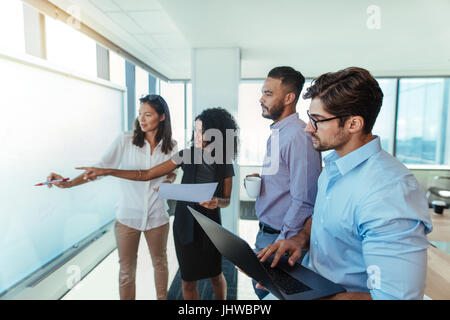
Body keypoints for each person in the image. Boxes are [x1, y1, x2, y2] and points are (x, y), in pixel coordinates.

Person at [257, 67, 433, 300]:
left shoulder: (389, 192)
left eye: (317, 120)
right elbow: (325, 221)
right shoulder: (332, 168)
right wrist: (299, 240)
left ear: (353, 124)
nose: (308, 128)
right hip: (310, 282)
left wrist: (304, 295)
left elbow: (395, 298)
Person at [77, 107, 239, 300]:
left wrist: (217, 201)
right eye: (195, 130)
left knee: (215, 275)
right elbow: (146, 175)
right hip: (185, 223)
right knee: (187, 281)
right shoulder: (185, 155)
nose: (196, 134)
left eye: (201, 130)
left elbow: (227, 200)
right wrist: (109, 171)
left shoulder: (224, 162)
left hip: (210, 225)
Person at [47, 94, 178, 300]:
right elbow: (100, 168)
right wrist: (69, 183)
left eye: (148, 115)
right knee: (127, 271)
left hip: (157, 216)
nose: (142, 119)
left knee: (160, 264)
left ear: (162, 117)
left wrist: (170, 179)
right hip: (127, 216)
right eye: (140, 114)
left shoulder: (171, 146)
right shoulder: (126, 140)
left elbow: (171, 171)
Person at [246, 66, 321, 299]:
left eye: (268, 93)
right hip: (267, 234)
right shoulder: (279, 133)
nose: (261, 98)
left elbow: (305, 200)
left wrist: (279, 245)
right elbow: (288, 182)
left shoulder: (298, 137)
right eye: (263, 92)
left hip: (282, 238)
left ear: (289, 98)